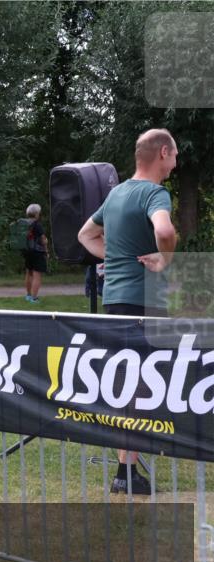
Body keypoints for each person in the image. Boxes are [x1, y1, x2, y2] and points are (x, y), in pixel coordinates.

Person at [77, 128, 178, 495]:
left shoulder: (116, 193)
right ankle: (130, 467)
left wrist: (116, 258)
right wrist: (164, 259)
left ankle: (126, 470)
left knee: (127, 384)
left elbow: (85, 235)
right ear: (163, 153)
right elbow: (164, 230)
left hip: (115, 299)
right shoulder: (155, 193)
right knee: (145, 384)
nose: (177, 162)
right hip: (146, 300)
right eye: (175, 155)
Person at [20, 204, 48, 303]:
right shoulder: (37, 224)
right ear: (36, 213)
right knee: (37, 275)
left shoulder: (24, 223)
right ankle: (34, 298)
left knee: (29, 273)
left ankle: (28, 295)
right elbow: (43, 239)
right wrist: (46, 250)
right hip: (37, 252)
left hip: (27, 252)